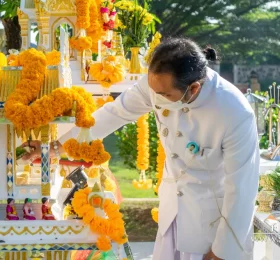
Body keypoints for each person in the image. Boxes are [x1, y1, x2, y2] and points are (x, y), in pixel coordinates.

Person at [22, 38, 259, 260]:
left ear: (194, 88)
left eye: (165, 95)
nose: (156, 98)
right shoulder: (157, 84)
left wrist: (222, 251)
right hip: (173, 214)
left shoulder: (234, 112)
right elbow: (114, 114)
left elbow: (242, 189)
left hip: (212, 224)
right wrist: (54, 148)